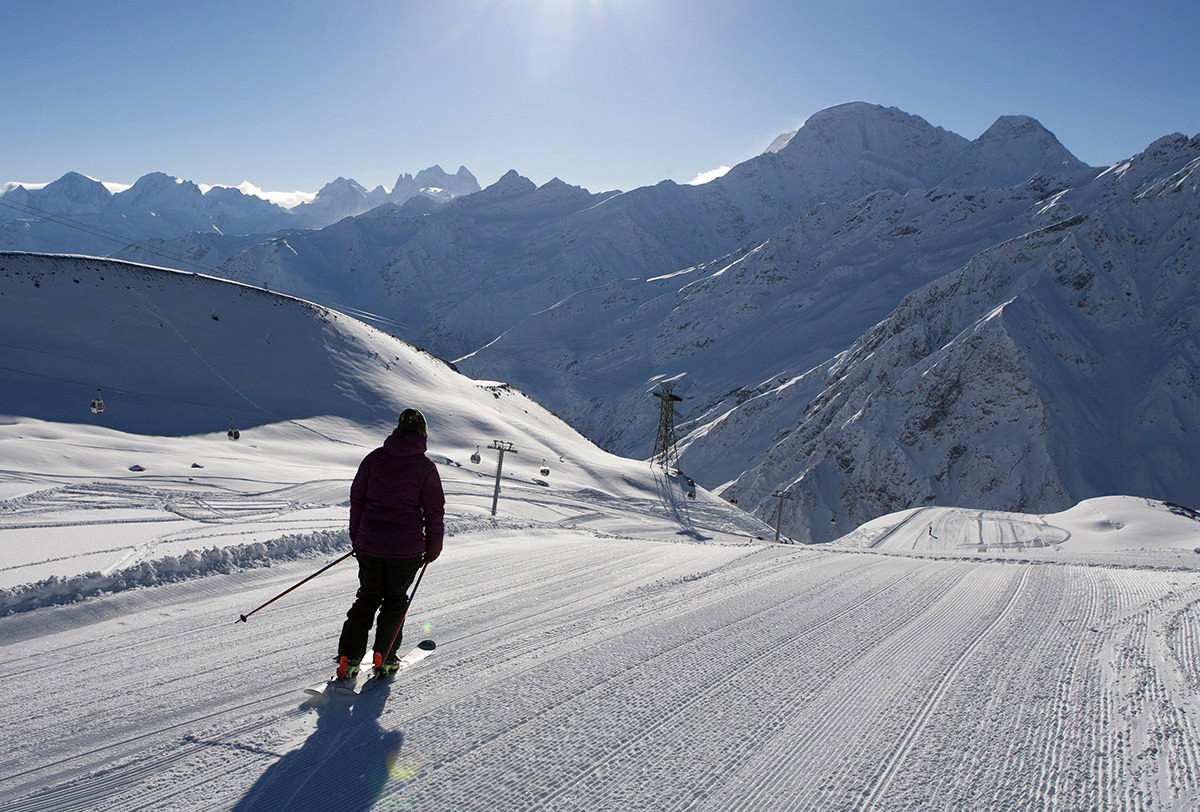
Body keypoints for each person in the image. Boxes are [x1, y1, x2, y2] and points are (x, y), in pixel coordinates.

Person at [336, 408, 445, 680]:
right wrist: (433, 548)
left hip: (369, 546)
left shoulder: (374, 459)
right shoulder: (426, 468)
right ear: (423, 434)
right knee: (395, 602)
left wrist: (358, 537)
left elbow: (357, 501)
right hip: (406, 550)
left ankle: (348, 661)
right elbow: (434, 512)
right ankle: (384, 658)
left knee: (367, 599)